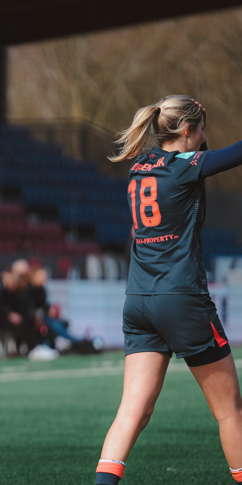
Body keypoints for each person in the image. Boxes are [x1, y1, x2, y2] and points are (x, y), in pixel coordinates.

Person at [95, 95, 242, 485]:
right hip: (182, 299)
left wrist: (195, 128)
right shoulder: (187, 168)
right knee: (229, 411)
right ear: (190, 130)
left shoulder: (140, 167)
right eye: (201, 129)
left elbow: (196, 154)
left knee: (132, 412)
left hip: (139, 300)